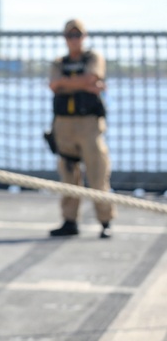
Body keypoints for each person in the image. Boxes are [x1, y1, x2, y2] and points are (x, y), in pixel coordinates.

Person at [47, 19, 114, 239]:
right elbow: (54, 84)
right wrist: (84, 84)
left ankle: (105, 221)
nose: (74, 40)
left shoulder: (93, 58)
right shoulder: (59, 62)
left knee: (97, 174)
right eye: (70, 36)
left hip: (89, 126)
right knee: (68, 175)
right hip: (64, 125)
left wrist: (68, 83)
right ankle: (69, 220)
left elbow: (92, 77)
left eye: (77, 35)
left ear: (84, 37)